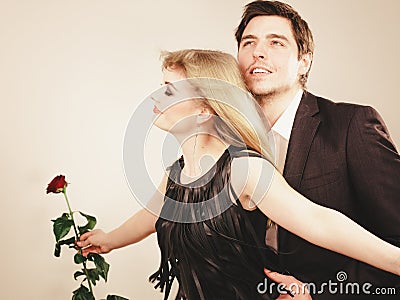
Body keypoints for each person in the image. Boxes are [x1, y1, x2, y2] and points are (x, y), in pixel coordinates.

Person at [78, 49, 400, 300]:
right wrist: (108, 240)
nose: (156, 97)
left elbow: (318, 222)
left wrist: (397, 261)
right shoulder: (176, 173)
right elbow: (152, 215)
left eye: (170, 91)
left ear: (204, 109)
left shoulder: (243, 169)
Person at [234, 1, 400, 299]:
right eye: (249, 42)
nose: (259, 52)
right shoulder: (228, 137)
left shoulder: (352, 125)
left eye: (276, 42)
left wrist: (320, 295)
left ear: (304, 62)